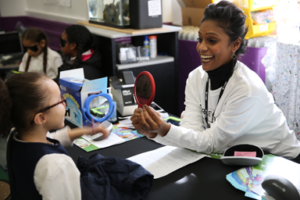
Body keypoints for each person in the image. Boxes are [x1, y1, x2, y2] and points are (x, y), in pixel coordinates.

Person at [131, 1, 300, 163]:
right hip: (237, 155)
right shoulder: (195, 78)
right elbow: (192, 133)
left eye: (212, 41)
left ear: (235, 44)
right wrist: (154, 132)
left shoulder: (246, 89)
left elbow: (211, 143)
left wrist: (164, 129)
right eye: (200, 39)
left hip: (281, 161)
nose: (201, 47)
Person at [0, 72, 109, 199]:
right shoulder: (57, 166)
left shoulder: (14, 138)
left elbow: (48, 141)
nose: (65, 104)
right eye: (60, 100)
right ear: (40, 118)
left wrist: (86, 130)